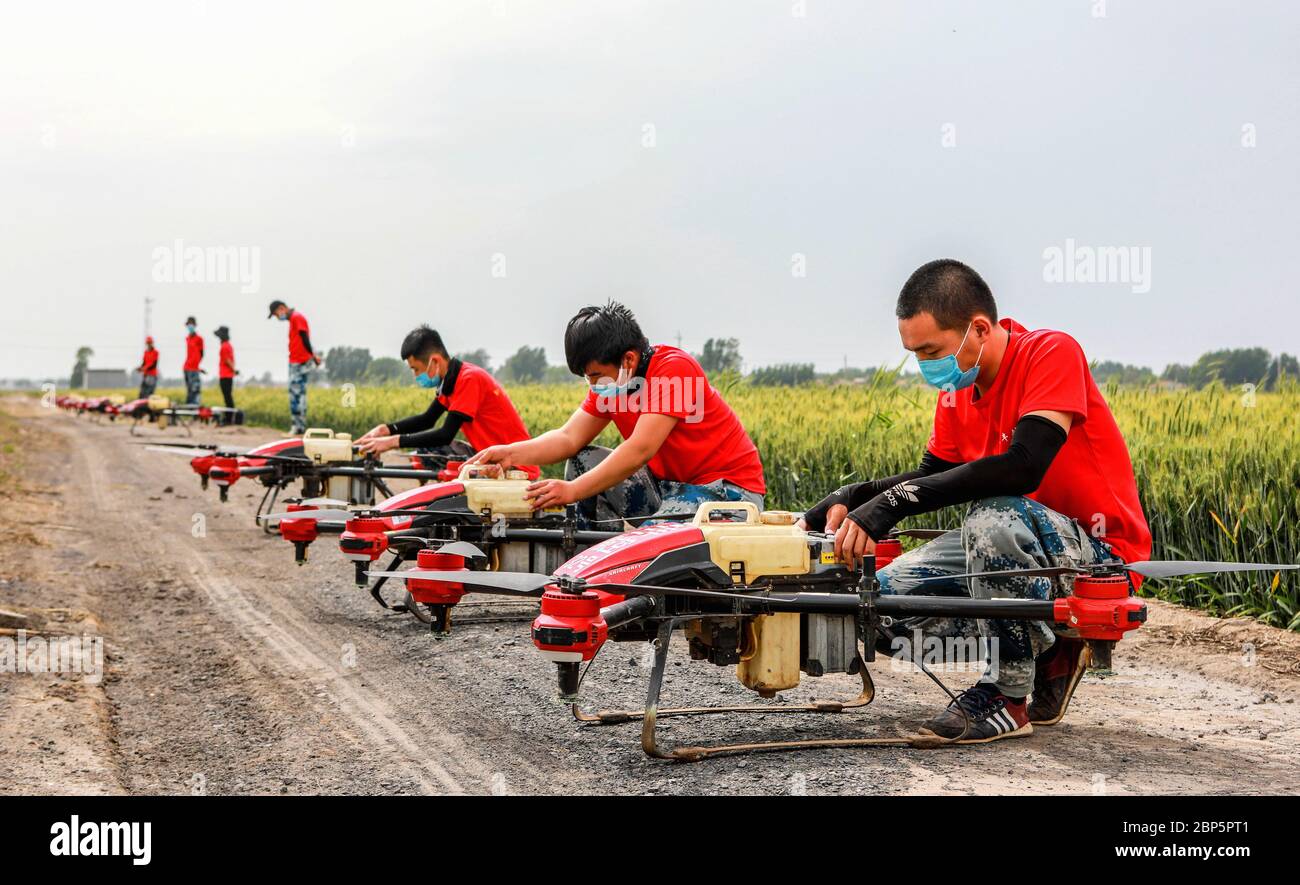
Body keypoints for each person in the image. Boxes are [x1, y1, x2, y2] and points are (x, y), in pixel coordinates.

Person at [797, 259, 1152, 742]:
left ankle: (1007, 697)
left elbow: (1023, 466)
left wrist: (895, 504)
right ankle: (1050, 650)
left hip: (1097, 556)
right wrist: (855, 496)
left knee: (993, 514)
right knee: (875, 607)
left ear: (979, 329)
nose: (924, 366)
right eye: (914, 353)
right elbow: (933, 476)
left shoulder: (1051, 352)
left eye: (931, 350)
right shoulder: (954, 393)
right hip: (1009, 548)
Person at [467, 301, 766, 526]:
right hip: (668, 491)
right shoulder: (616, 383)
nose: (594, 386)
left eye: (597, 375)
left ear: (628, 358)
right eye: (588, 377)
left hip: (726, 494)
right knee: (583, 460)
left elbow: (640, 449)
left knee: (654, 542)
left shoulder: (674, 370)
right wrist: (510, 454)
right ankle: (588, 574)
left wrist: (572, 491)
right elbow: (568, 437)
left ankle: (627, 576)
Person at [355, 326, 531, 465]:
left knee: (435, 450)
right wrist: (384, 430)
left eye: (416, 369)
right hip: (490, 456)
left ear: (435, 361)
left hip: (514, 463)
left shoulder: (469, 379)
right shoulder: (450, 382)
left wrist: (391, 442)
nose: (416, 376)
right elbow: (427, 419)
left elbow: (445, 435)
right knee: (426, 453)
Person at [268, 300, 320, 435]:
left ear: (282, 308)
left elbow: (305, 338)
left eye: (276, 315)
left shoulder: (297, 317)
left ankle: (297, 427)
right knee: (299, 393)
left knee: (295, 394)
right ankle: (300, 427)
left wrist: (313, 356)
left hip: (299, 362)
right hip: (298, 360)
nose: (277, 318)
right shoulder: (294, 320)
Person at [182, 317, 204, 405]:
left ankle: (195, 405)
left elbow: (201, 353)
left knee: (195, 389)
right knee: (190, 389)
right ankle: (189, 406)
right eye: (188, 324)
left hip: (194, 368)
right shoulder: (187, 338)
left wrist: (196, 364)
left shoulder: (199, 339)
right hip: (187, 367)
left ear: (194, 325)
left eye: (191, 324)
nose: (190, 326)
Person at [214, 326, 238, 409]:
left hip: (225, 375)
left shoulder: (224, 346)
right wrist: (234, 370)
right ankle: (230, 416)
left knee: (227, 397)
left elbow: (227, 360)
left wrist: (234, 370)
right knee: (228, 396)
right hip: (228, 375)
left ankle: (229, 417)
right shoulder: (228, 345)